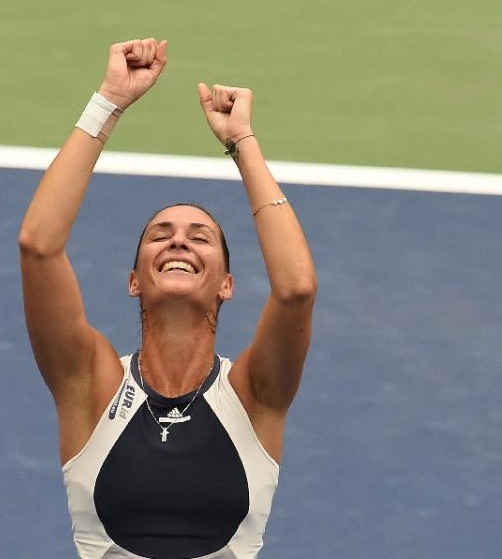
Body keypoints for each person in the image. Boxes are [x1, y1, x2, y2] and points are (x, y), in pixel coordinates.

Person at [18, 38, 317, 559]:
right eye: (160, 234)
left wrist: (242, 140)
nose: (178, 239)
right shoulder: (89, 384)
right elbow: (38, 247)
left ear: (226, 284)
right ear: (135, 279)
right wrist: (108, 102)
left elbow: (295, 290)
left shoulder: (254, 395)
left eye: (200, 237)